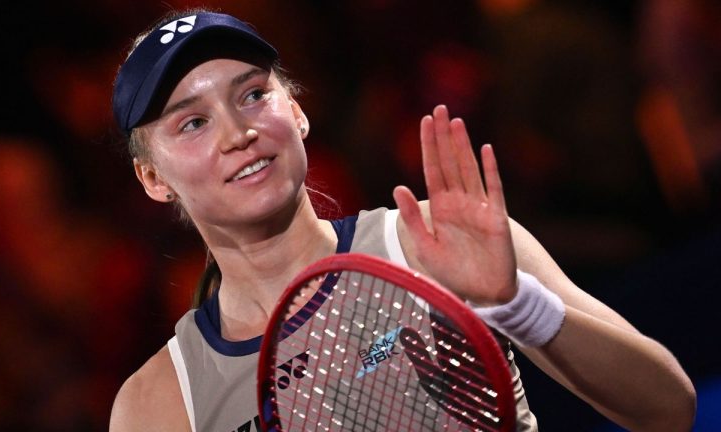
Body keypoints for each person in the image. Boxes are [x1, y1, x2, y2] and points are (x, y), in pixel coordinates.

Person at [108, 8, 696, 432]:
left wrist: (515, 304)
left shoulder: (434, 244)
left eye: (253, 94)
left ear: (298, 112)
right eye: (192, 122)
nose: (239, 133)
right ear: (153, 179)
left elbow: (669, 409)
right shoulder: (158, 404)